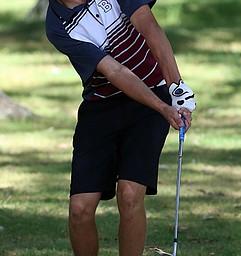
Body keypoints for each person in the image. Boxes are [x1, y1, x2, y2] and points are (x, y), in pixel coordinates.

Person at [46, 0, 196, 255]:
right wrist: (162, 108)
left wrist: (175, 86)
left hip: (152, 94)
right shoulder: (57, 25)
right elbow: (115, 71)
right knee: (80, 209)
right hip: (101, 107)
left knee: (129, 195)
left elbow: (148, 26)